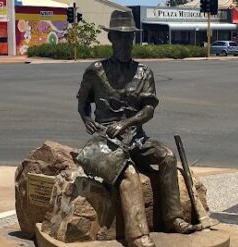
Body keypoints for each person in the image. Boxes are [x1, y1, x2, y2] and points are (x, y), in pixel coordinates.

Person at [77, 10, 196, 247]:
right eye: (120, 37)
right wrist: (86, 119)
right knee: (129, 175)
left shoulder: (144, 73)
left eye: (129, 37)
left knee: (168, 158)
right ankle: (137, 236)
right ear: (111, 39)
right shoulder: (95, 71)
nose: (125, 43)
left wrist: (128, 123)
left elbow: (149, 109)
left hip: (136, 137)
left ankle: (173, 218)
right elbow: (82, 104)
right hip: (106, 140)